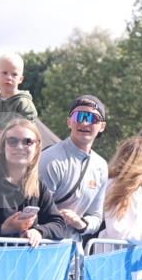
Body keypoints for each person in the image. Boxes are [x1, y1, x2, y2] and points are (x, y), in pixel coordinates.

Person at [39, 95, 109, 241]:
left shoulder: (101, 166)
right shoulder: (50, 159)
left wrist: (81, 224)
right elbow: (37, 209)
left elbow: (96, 215)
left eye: (92, 118)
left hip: (74, 252)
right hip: (44, 246)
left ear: (102, 126)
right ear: (69, 122)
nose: (84, 123)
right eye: (79, 116)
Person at [0, 53, 37, 129]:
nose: (9, 77)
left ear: (20, 79)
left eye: (14, 74)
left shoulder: (23, 103)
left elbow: (28, 130)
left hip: (16, 140)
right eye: (5, 73)